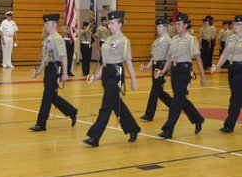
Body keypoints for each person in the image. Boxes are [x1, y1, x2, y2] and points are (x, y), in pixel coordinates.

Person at [84, 11, 140, 146]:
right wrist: (97, 76)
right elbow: (105, 61)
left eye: (113, 23)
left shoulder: (124, 41)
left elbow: (128, 61)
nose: (110, 25)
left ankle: (94, 137)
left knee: (106, 106)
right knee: (116, 104)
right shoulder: (108, 40)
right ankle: (133, 128)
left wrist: (133, 79)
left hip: (116, 74)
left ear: (120, 24)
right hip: (107, 74)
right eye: (109, 23)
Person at [156, 13, 207, 139]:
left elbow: (198, 57)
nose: (177, 26)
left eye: (179, 24)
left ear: (185, 25)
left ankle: (168, 129)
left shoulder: (191, 39)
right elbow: (169, 57)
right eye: (175, 24)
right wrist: (163, 71)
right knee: (181, 99)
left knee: (176, 101)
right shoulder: (174, 39)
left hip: (184, 72)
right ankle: (197, 119)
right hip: (174, 70)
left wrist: (203, 75)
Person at [29, 14, 78, 131]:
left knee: (47, 96)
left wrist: (65, 73)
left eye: (48, 23)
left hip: (55, 69)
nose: (45, 25)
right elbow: (45, 58)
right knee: (51, 96)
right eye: (45, 23)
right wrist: (39, 72)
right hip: (49, 69)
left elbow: (64, 56)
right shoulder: (48, 39)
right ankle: (71, 111)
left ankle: (41, 123)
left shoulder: (58, 39)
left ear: (55, 25)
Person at [139, 18, 173, 121]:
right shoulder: (156, 41)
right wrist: (147, 66)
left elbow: (169, 57)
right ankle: (174, 106)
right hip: (155, 66)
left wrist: (165, 69)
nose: (158, 28)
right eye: (157, 26)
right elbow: (154, 57)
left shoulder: (169, 41)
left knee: (154, 90)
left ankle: (149, 115)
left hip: (162, 66)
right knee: (159, 91)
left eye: (160, 26)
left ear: (166, 27)